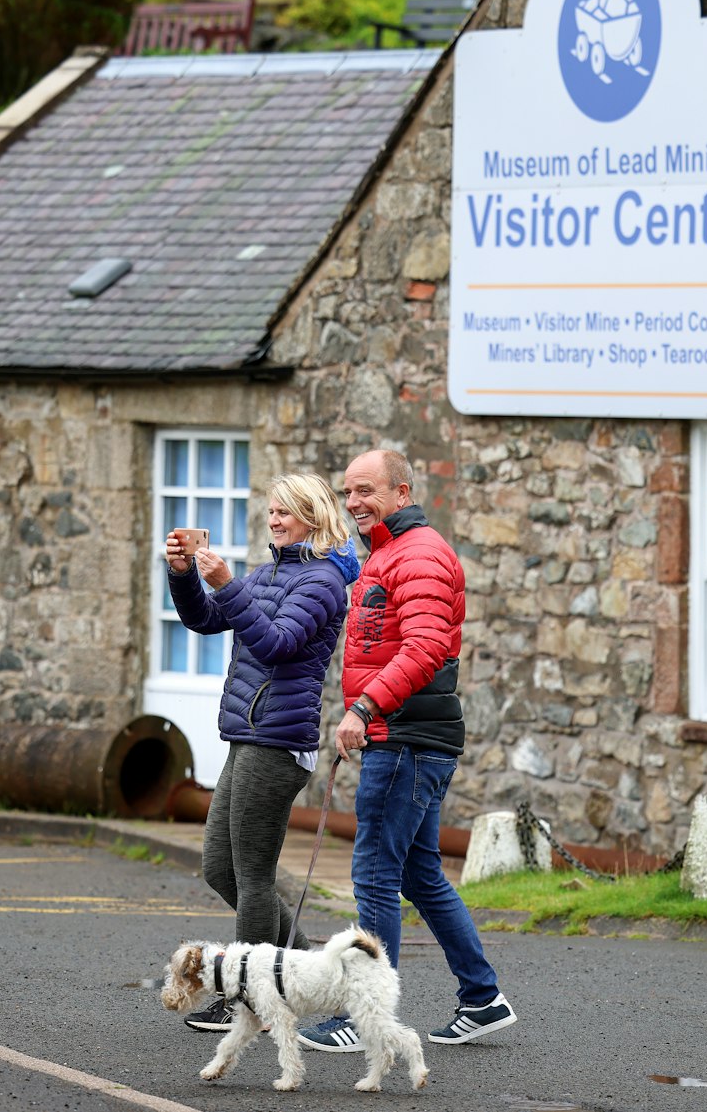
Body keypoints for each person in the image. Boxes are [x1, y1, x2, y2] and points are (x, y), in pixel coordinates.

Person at [300, 449, 516, 1053]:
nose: (353, 503)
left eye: (366, 491)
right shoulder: (387, 553)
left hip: (406, 739)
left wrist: (365, 709)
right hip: (411, 738)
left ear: (402, 492)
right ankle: (482, 999)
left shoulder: (417, 553)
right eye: (348, 493)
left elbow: (422, 650)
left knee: (374, 871)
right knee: (420, 872)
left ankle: (364, 1018)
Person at [165, 472, 362, 1032]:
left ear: (313, 516)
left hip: (277, 742)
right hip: (248, 735)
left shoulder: (324, 581)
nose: (273, 520)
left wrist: (228, 583)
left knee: (251, 876)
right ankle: (311, 975)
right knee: (217, 868)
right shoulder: (270, 569)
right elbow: (205, 620)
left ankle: (248, 998)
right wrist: (183, 576)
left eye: (285, 512)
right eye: (271, 511)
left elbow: (275, 643)